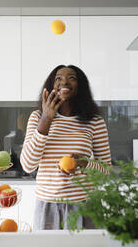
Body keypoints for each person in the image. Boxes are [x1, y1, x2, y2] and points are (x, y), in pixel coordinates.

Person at [20, 64, 111, 230]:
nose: (65, 81)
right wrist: (47, 118)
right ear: (51, 86)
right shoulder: (38, 117)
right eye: (58, 78)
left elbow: (106, 172)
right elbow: (28, 165)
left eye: (72, 78)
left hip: (85, 205)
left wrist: (84, 163)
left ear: (80, 86)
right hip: (47, 206)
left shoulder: (94, 121)